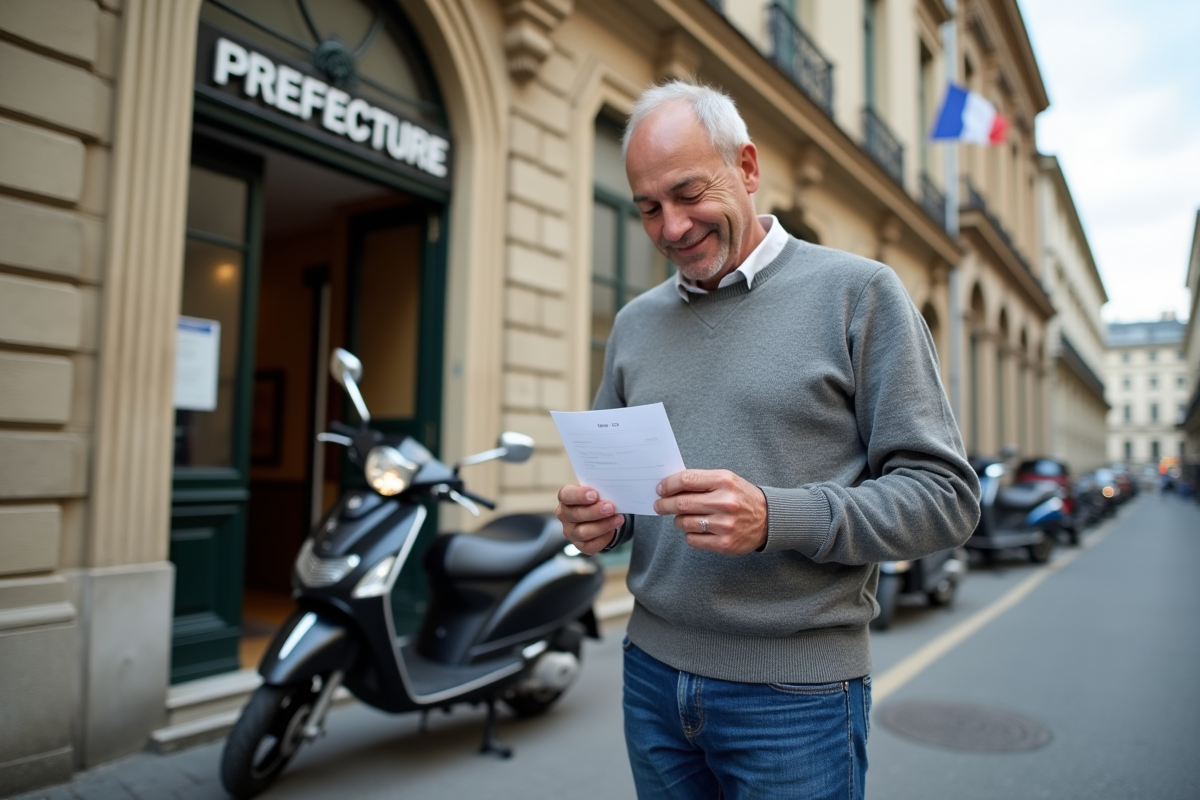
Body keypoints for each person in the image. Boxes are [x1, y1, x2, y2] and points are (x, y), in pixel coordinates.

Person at [555, 81, 981, 800]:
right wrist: (601, 519)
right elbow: (626, 497)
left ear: (746, 168)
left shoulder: (860, 294)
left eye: (689, 193)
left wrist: (774, 517)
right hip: (650, 676)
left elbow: (946, 500)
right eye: (649, 207)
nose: (671, 227)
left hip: (796, 697)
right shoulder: (634, 323)